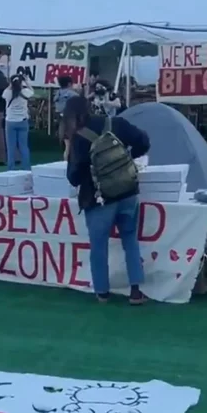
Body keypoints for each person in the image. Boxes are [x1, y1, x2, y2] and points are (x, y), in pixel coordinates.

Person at [65, 95, 150, 304]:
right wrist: (126, 159)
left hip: (99, 198)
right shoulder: (116, 123)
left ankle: (102, 291)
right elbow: (144, 141)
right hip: (128, 191)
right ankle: (136, 290)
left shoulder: (79, 136)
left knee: (99, 246)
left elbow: (73, 177)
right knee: (130, 239)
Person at [3, 72, 33, 170]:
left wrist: (11, 84)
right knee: (24, 147)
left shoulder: (8, 93)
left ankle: (10, 168)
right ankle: (26, 168)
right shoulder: (25, 92)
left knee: (11, 147)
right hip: (23, 121)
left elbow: (5, 93)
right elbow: (32, 91)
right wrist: (26, 81)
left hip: (10, 122)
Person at [54, 76, 78, 145]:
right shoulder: (72, 93)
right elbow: (80, 100)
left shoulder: (58, 92)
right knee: (70, 129)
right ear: (69, 84)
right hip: (69, 114)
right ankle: (69, 144)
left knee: (61, 128)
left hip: (59, 112)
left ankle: (62, 142)